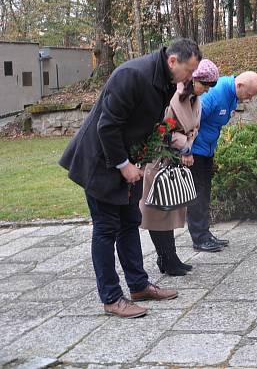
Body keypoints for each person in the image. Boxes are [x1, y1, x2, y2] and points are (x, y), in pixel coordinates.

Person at [59, 38, 201, 318]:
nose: (191, 77)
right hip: (100, 161)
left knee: (129, 222)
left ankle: (138, 285)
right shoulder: (132, 75)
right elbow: (107, 126)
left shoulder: (166, 81)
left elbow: (148, 122)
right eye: (189, 70)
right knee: (106, 228)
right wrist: (124, 166)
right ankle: (111, 298)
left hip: (127, 159)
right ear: (173, 61)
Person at [139, 59, 220, 276]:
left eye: (211, 85)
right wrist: (185, 147)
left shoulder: (195, 98)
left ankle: (170, 256)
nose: (207, 89)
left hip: (174, 161)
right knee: (158, 211)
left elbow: (192, 128)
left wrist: (187, 147)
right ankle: (165, 258)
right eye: (205, 84)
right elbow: (162, 129)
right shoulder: (173, 95)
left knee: (170, 211)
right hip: (159, 160)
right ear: (194, 79)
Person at [188, 71, 257, 252]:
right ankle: (199, 238)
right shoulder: (215, 93)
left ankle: (205, 233)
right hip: (195, 151)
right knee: (197, 193)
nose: (249, 99)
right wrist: (185, 149)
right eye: (249, 95)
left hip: (207, 150)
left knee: (205, 192)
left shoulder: (232, 95)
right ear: (240, 86)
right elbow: (191, 121)